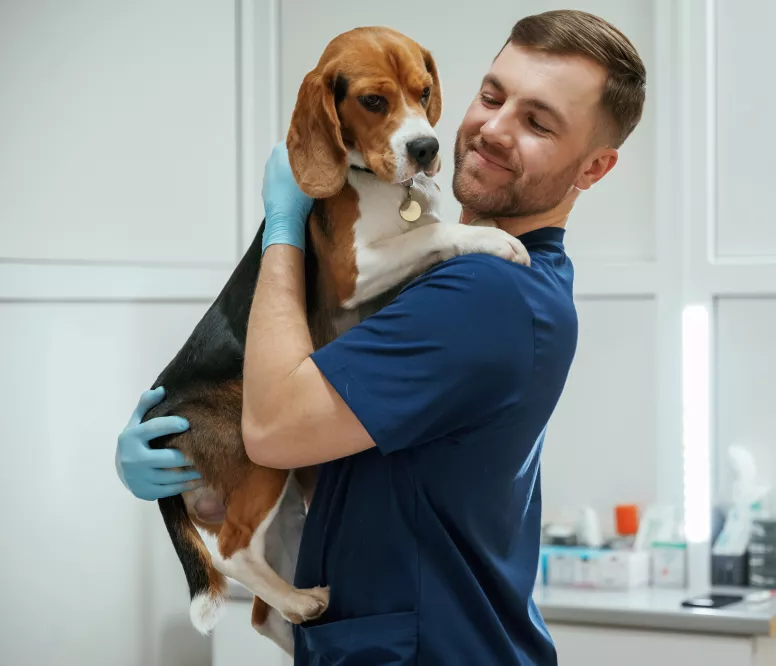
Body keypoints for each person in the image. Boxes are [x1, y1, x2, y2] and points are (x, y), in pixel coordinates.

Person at [116, 9, 646, 664]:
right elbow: (335, 465)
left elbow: (276, 430)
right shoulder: (479, 275)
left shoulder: (486, 294)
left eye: (537, 122)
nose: (493, 129)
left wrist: (283, 226)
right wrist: (191, 459)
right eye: (491, 95)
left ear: (592, 168)